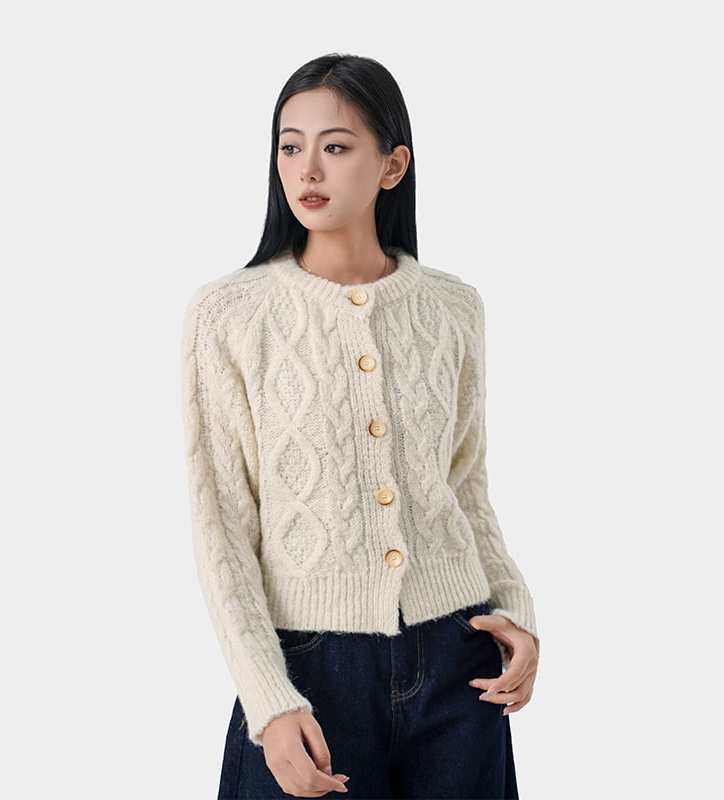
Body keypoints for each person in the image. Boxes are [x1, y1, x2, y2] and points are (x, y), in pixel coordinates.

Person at [180, 53, 539, 800]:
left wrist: (515, 608)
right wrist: (268, 699)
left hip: (459, 659)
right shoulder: (229, 316)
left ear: (392, 166)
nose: (307, 168)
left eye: (335, 146)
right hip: (309, 672)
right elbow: (222, 527)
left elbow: (465, 487)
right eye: (290, 146)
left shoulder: (453, 308)